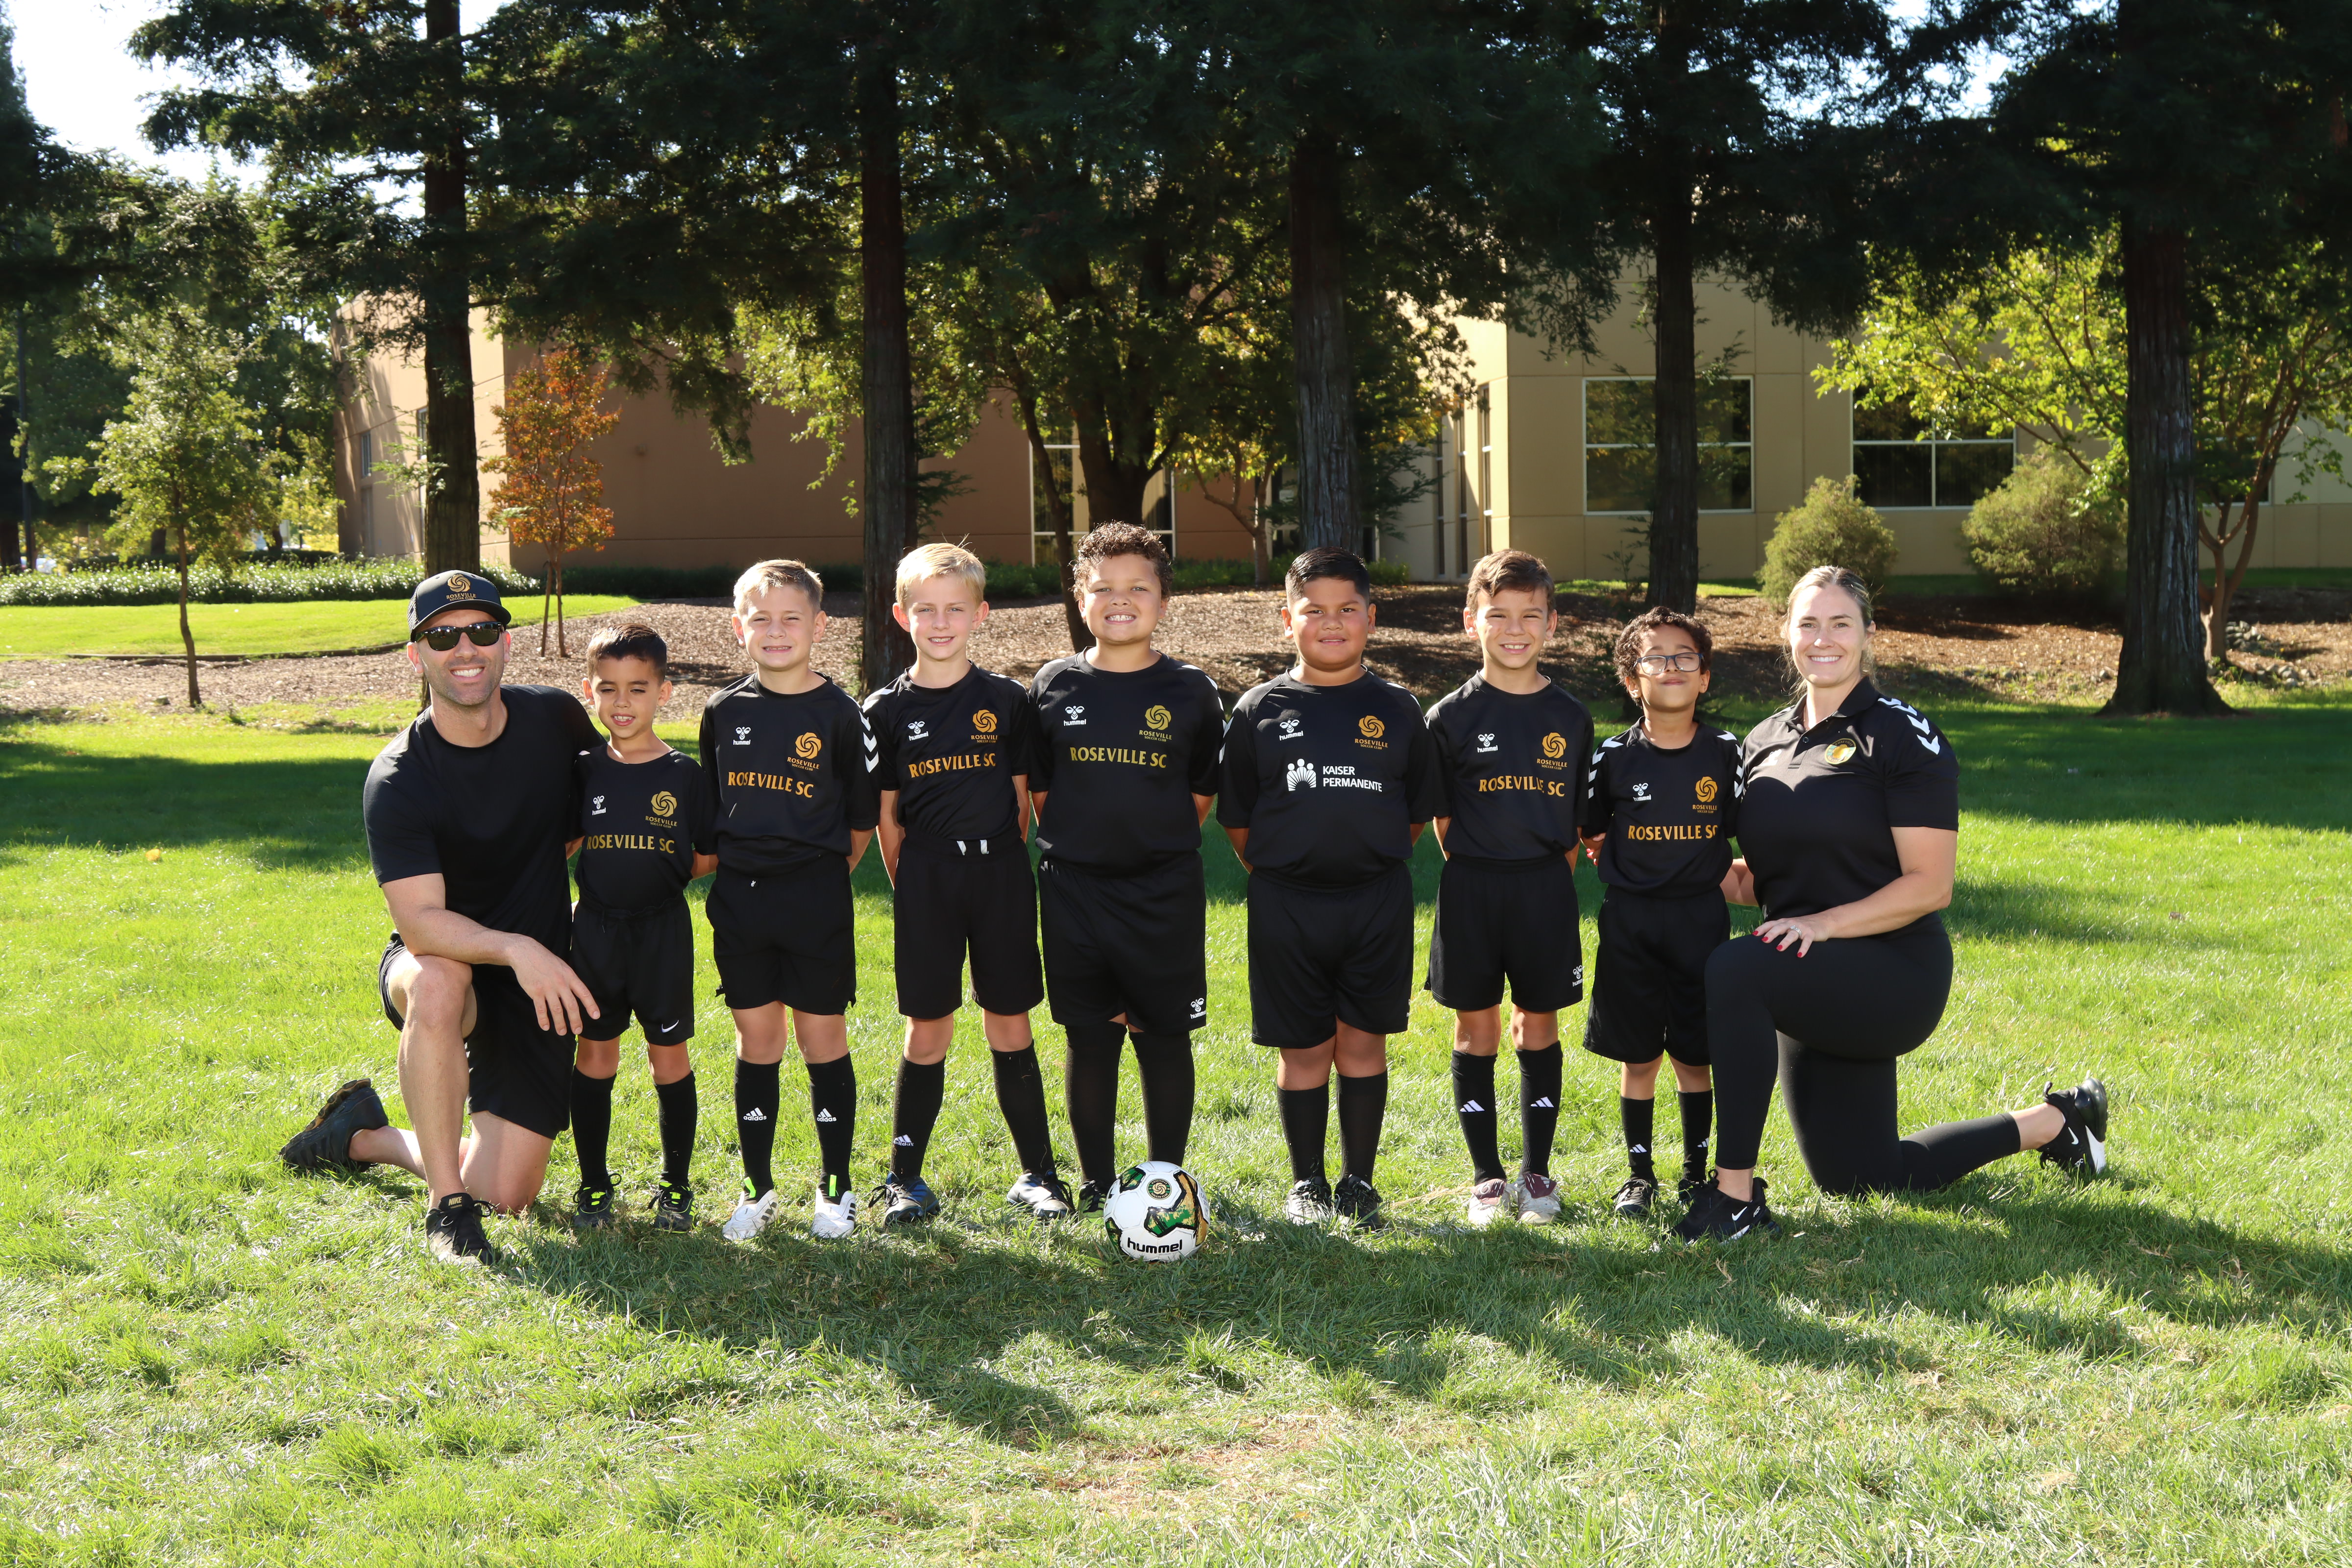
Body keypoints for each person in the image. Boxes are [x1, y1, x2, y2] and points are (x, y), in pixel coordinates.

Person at [1681, 564, 2109, 1243]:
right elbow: (1761, 882)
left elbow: (1931, 884)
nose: (1824, 638)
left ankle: (1734, 1199)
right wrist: (1655, 861)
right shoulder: (1763, 741)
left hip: (1893, 970)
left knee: (1735, 968)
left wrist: (1824, 924)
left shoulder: (1902, 733)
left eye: (1840, 623)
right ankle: (2056, 1122)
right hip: (1806, 968)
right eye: (1808, 623)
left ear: (1868, 633)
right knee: (1860, 1176)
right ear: (1787, 633)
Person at [280, 570, 602, 1265]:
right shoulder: (399, 777)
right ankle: (447, 1210)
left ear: (505, 643)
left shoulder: (555, 720)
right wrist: (518, 946)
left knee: (508, 1193)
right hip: (441, 961)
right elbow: (422, 923)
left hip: (534, 982)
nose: (465, 648)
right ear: (416, 654)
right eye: (442, 636)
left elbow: (597, 816)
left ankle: (360, 1134)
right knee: (439, 981)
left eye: (481, 630)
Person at [1219, 546, 1443, 1228]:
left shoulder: (1399, 709)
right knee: (1305, 1047)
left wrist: (1361, 858)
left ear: (1371, 618)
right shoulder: (1259, 709)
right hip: (1286, 903)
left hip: (1376, 901)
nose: (1332, 622)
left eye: (1348, 609)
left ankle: (1359, 1181)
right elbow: (1238, 820)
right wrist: (1288, 868)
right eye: (1314, 610)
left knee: (1363, 1044)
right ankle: (1307, 1182)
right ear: (1288, 619)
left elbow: (1413, 817)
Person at [864, 542, 1070, 1223]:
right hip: (927, 875)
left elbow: (1020, 801)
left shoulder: (1007, 700)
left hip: (1000, 873)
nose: (941, 622)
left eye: (956, 609)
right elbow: (888, 818)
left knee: (1010, 1020)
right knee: (928, 1028)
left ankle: (1038, 1174)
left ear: (980, 615)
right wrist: (915, 884)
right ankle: (904, 1180)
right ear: (902, 616)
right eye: (926, 609)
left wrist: (997, 861)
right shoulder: (884, 710)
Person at [1025, 525, 1226, 1210]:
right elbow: (1043, 792)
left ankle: (1164, 1183)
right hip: (1074, 890)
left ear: (1164, 600)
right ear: (1080, 599)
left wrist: (1149, 844)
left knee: (1164, 1038)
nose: (1121, 599)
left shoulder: (1192, 691)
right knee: (1090, 1037)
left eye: (1138, 587)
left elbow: (1198, 794)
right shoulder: (1052, 684)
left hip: (1163, 891)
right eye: (1103, 587)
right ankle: (1095, 1181)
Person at [699, 561, 880, 1242]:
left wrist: (815, 875)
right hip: (740, 904)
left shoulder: (841, 713)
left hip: (815, 900)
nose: (776, 631)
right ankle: (757, 1186)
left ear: (819, 626)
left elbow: (859, 824)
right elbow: (714, 808)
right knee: (758, 1040)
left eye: (791, 618)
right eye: (761, 619)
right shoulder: (723, 712)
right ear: (738, 627)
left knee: (821, 1038)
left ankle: (836, 1186)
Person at [1422, 549, 1592, 1226]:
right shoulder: (1448, 717)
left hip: (1543, 888)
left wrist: (1540, 876)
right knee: (1477, 1027)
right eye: (1498, 615)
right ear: (1472, 621)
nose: (1514, 629)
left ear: (1552, 623)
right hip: (1472, 887)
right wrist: (1484, 867)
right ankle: (1487, 1178)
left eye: (1530, 615)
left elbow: (1575, 824)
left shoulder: (1571, 717)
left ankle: (1538, 1174)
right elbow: (1443, 823)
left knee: (1537, 1023)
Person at [1578, 607, 1746, 1221]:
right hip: (1631, 922)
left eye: (1685, 657)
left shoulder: (1727, 753)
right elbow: (1592, 830)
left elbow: (1745, 831)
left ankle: (1696, 1174)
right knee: (1639, 1054)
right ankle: (1639, 1174)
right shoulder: (1612, 756)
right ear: (1632, 680)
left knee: (1695, 1055)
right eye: (1655, 658)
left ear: (1705, 676)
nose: (1671, 667)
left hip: (1701, 921)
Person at [566, 624, 718, 1232]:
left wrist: (661, 874)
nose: (622, 702)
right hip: (594, 933)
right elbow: (565, 841)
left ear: (664, 692)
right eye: (608, 688)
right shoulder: (581, 770)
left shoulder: (685, 774)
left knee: (668, 1057)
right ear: (590, 691)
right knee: (595, 1052)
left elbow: (706, 855)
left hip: (662, 934)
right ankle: (594, 1184)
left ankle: (676, 1186)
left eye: (637, 688)